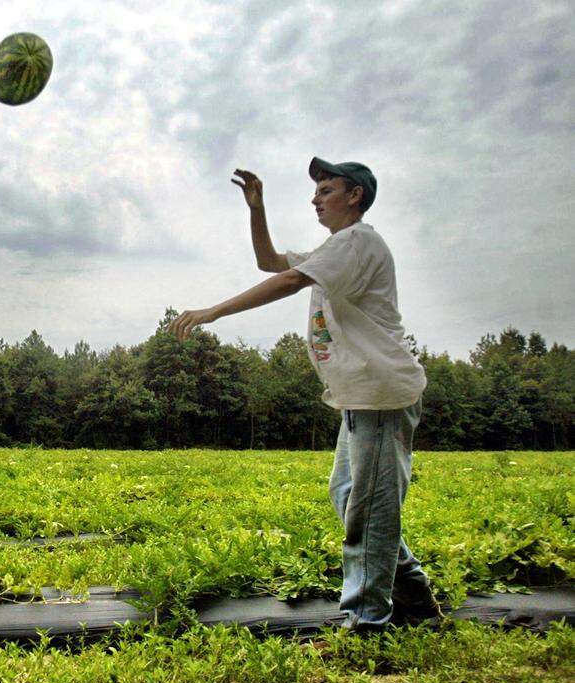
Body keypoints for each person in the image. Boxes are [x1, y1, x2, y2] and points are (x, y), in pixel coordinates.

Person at [168, 157, 442, 632]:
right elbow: (269, 261)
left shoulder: (358, 241)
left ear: (355, 195)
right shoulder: (335, 247)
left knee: (369, 512)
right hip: (360, 396)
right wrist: (257, 208)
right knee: (348, 496)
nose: (315, 198)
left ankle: (366, 624)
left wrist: (214, 311)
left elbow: (289, 280)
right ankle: (415, 600)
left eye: (327, 189)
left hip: (381, 395)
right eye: (315, 190)